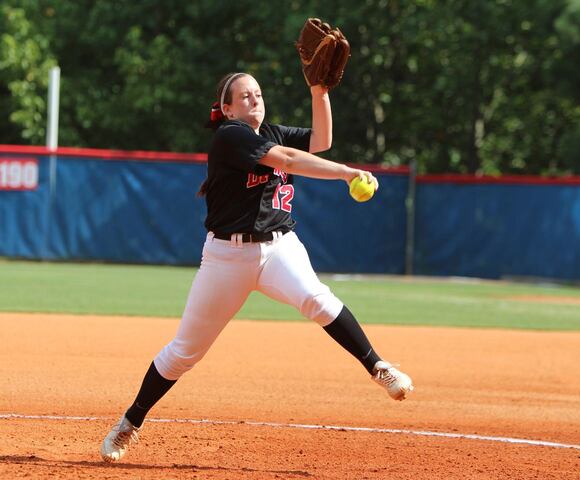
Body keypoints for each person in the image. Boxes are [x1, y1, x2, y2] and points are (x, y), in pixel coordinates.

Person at [100, 72, 413, 462]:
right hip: (226, 259)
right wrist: (346, 172)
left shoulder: (273, 131)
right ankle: (130, 421)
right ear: (227, 108)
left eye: (258, 94)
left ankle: (378, 367)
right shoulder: (230, 136)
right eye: (244, 96)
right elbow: (288, 159)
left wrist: (320, 92)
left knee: (317, 298)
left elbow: (322, 141)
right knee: (184, 353)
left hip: (279, 248)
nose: (254, 100)